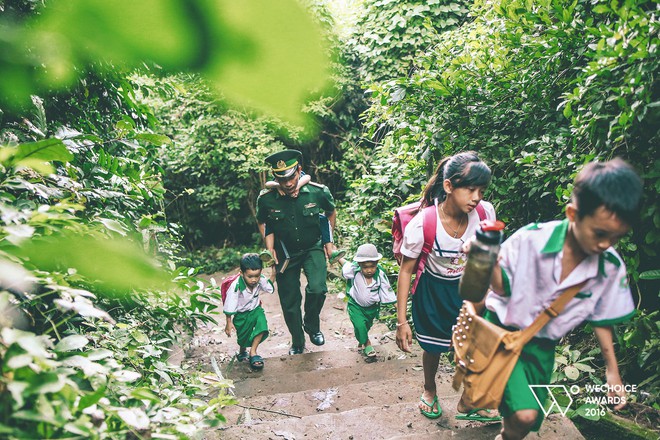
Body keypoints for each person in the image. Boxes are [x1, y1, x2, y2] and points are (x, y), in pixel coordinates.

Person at [482, 158, 642, 440]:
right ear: (572, 214)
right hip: (502, 333)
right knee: (525, 414)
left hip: (542, 347)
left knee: (523, 423)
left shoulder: (610, 266)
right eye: (600, 233)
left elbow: (601, 318)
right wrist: (487, 262)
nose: (606, 244)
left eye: (617, 237)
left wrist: (612, 372)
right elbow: (500, 287)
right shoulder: (530, 240)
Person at [395, 151, 498, 421]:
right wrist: (401, 321)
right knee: (433, 347)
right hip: (433, 291)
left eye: (481, 190)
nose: (476, 197)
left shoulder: (485, 213)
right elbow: (406, 271)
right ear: (449, 186)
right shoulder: (424, 223)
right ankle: (429, 390)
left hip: (469, 288)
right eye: (471, 189)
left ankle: (471, 400)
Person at [256, 149, 337, 355]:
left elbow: (331, 211)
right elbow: (262, 220)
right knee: (289, 300)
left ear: (299, 171)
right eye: (282, 179)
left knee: (318, 288)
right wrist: (270, 249)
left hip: (313, 247)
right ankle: (298, 341)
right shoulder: (267, 199)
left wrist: (329, 240)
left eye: (292, 177)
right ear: (275, 178)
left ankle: (311, 324)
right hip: (286, 253)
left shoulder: (317, 191)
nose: (289, 183)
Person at [261, 171, 345, 265]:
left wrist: (297, 187)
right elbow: (268, 184)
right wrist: (277, 186)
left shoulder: (299, 175)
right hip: (286, 238)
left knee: (324, 220)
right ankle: (269, 251)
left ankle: (330, 250)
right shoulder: (277, 181)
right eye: (283, 180)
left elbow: (307, 177)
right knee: (270, 223)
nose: (288, 183)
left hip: (310, 228)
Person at [333, 243, 396, 359]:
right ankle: (367, 344)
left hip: (372, 309)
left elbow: (386, 288)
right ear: (359, 264)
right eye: (365, 267)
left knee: (365, 326)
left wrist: (396, 304)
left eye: (372, 266)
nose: (369, 270)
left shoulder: (379, 274)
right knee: (359, 325)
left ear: (377, 263)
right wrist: (338, 257)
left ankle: (362, 339)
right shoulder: (354, 271)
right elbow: (346, 265)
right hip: (356, 306)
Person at [223, 253, 276, 370]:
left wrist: (274, 273)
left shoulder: (260, 280)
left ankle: (253, 352)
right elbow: (230, 303)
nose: (254, 280)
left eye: (257, 276)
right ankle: (242, 351)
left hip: (256, 310)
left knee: (262, 326)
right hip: (241, 314)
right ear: (242, 273)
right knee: (243, 337)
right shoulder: (235, 286)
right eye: (250, 276)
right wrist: (228, 322)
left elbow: (268, 286)